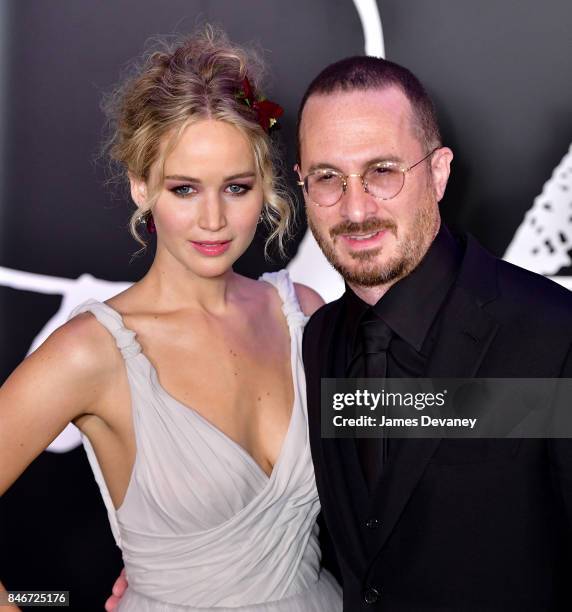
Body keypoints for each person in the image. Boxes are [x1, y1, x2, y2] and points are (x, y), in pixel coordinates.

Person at [0, 28, 342, 611]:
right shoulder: (93, 351)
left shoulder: (302, 311)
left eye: (237, 187)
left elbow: (410, 449)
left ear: (267, 186)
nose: (213, 219)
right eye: (184, 189)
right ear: (142, 187)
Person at [297, 57, 572, 610]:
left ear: (439, 172)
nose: (355, 208)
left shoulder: (553, 335)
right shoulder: (318, 338)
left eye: (382, 171)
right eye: (328, 177)